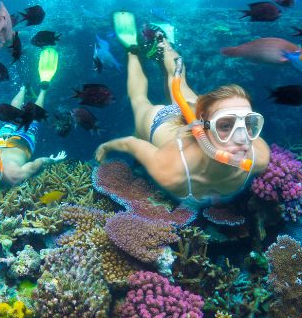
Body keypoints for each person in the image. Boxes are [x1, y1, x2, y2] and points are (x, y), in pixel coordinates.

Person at [95, 15, 270, 207]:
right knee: (139, 101)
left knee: (178, 80)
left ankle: (163, 42)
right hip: (161, 122)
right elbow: (131, 143)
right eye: (226, 125)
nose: (242, 138)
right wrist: (105, 147)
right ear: (202, 130)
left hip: (196, 108)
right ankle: (133, 49)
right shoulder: (173, 170)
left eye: (248, 123)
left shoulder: (259, 156)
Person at [0, 86, 66, 190]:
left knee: (27, 119)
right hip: (5, 141)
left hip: (22, 143)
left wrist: (53, 160)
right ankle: (29, 89)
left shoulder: (14, 176)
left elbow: (38, 163)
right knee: (19, 119)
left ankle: (39, 90)